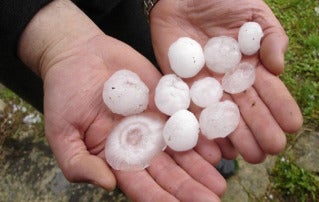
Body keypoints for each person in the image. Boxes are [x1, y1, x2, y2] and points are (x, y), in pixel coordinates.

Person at [0, 0, 303, 201]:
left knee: (152, 59)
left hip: (134, 7)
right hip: (21, 32)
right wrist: (49, 41)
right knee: (89, 106)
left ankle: (212, 153)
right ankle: (205, 155)